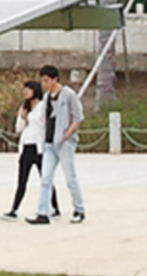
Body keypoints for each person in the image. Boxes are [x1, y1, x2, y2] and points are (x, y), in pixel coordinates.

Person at [26, 65, 85, 225]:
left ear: (55, 79)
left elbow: (78, 117)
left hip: (64, 143)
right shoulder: (46, 98)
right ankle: (43, 213)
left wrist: (67, 134)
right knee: (45, 178)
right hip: (49, 143)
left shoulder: (68, 94)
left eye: (46, 80)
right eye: (42, 81)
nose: (44, 84)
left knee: (70, 178)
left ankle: (79, 209)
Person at [0, 80, 60, 220]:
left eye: (28, 89)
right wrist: (23, 118)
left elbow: (46, 124)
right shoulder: (24, 107)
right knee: (22, 180)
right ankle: (14, 209)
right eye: (24, 89)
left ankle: (55, 207)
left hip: (39, 148)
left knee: (45, 179)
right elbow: (18, 129)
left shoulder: (43, 106)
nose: (25, 92)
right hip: (26, 146)